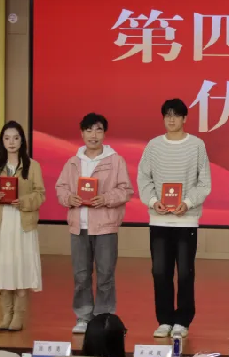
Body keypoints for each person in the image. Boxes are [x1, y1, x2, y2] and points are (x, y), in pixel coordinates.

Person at [137, 99, 211, 339]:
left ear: (184, 119)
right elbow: (144, 178)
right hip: (159, 221)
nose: (171, 119)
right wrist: (153, 201)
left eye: (176, 115)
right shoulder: (154, 146)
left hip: (186, 220)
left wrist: (187, 203)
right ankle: (165, 320)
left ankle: (183, 320)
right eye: (167, 115)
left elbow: (204, 182)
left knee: (186, 273)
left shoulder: (197, 145)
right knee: (160, 272)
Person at [55, 113, 134, 334]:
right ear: (82, 133)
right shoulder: (73, 162)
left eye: (98, 130)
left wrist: (106, 198)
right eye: (89, 130)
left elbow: (126, 190)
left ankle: (103, 318)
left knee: (105, 275)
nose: (93, 135)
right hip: (78, 227)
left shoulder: (115, 160)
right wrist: (68, 198)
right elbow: (61, 188)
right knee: (81, 276)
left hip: (105, 226)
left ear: (104, 134)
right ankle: (83, 316)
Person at [0, 120, 45, 331]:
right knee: (3, 269)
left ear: (22, 141)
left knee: (21, 269)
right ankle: (6, 314)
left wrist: (24, 201)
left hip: (22, 225)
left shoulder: (32, 166)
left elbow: (40, 194)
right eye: (7, 138)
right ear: (2, 141)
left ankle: (18, 315)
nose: (11, 142)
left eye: (16, 138)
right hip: (1, 225)